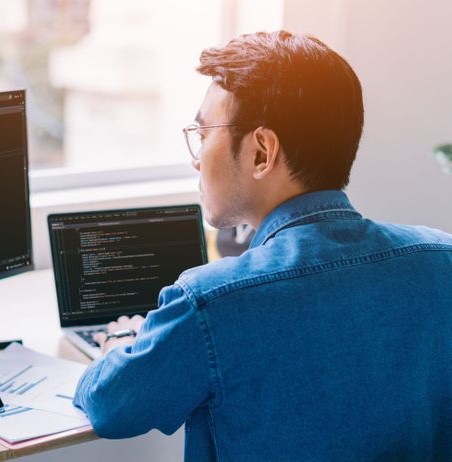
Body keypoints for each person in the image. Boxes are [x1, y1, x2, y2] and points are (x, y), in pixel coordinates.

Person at [73, 30, 452, 461]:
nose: (196, 159)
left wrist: (121, 341)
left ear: (261, 152)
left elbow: (111, 407)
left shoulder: (209, 303)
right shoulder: (443, 262)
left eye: (202, 135)